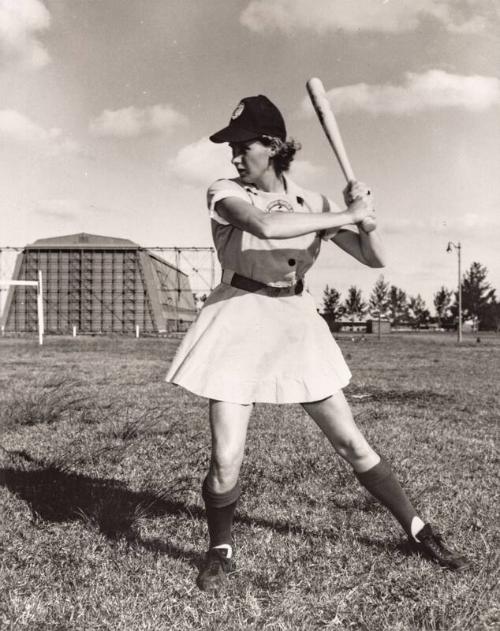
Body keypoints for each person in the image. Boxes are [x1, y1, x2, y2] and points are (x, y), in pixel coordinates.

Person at [166, 94, 469, 592]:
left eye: (245, 146)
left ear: (274, 146)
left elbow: (375, 259)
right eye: (234, 147)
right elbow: (264, 225)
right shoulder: (225, 191)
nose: (235, 156)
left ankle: (417, 531)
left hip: (295, 319)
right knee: (226, 457)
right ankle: (219, 549)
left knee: (351, 441)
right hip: (239, 315)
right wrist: (344, 213)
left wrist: (366, 221)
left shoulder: (315, 202)